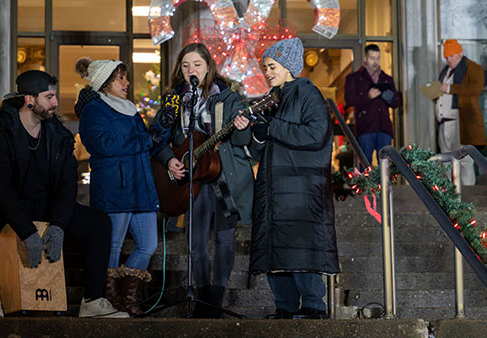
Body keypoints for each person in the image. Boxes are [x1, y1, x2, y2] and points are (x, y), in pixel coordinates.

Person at [0, 70, 128, 318]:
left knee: (98, 222)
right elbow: (0, 188)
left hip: (43, 204)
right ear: (29, 99)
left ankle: (93, 300)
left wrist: (59, 224)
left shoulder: (58, 136)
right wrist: (27, 232)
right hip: (4, 204)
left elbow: (67, 184)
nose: (56, 103)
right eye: (49, 97)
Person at [152, 43, 252, 318]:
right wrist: (168, 160)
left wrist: (242, 128)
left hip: (223, 177)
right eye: (185, 65)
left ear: (208, 66)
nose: (190, 70)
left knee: (224, 239)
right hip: (190, 181)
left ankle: (215, 298)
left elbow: (243, 141)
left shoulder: (228, 97)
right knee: (195, 243)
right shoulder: (174, 99)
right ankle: (202, 290)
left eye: (196, 64)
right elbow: (158, 135)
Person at [248, 37, 340, 319]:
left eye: (272, 66)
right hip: (277, 190)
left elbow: (316, 134)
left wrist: (273, 126)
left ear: (288, 67)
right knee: (278, 249)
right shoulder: (277, 98)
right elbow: (264, 144)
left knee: (301, 248)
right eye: (265, 67)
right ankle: (285, 305)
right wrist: (255, 129)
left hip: (299, 190)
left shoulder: (307, 94)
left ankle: (313, 305)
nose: (268, 72)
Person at [75, 57, 159, 316]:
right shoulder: (94, 110)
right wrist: (140, 139)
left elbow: (144, 141)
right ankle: (106, 298)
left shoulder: (130, 108)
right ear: (105, 83)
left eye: (124, 77)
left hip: (140, 186)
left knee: (148, 245)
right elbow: (103, 144)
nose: (126, 82)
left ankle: (127, 296)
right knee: (111, 246)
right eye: (120, 78)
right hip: (115, 188)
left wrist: (150, 136)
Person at [436, 39, 485, 185]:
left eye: (451, 56)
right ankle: (451, 192)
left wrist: (450, 89)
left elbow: (475, 89)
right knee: (445, 159)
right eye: (446, 57)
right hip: (444, 122)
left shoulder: (473, 68)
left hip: (460, 121)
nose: (448, 59)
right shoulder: (446, 70)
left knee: (464, 159)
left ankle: (469, 192)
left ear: (460, 53)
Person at [344, 44, 401, 168]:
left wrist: (390, 98)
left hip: (384, 127)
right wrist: (367, 96)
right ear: (365, 58)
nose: (375, 62)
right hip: (365, 127)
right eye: (372, 58)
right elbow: (349, 100)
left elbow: (397, 102)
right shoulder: (354, 78)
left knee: (385, 164)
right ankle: (366, 188)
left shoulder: (386, 79)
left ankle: (385, 187)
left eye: (377, 58)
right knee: (365, 164)